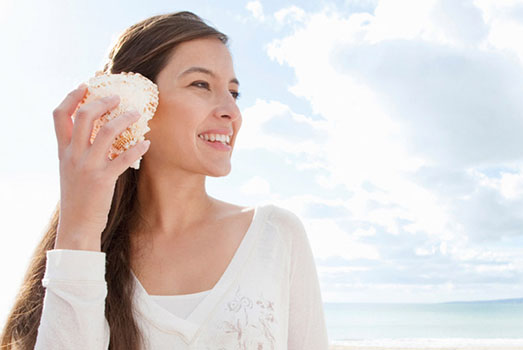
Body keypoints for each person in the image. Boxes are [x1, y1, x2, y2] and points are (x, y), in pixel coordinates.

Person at [1, 11, 329, 350]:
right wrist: (79, 228)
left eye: (234, 91)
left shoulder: (275, 235)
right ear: (137, 103)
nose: (231, 110)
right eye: (201, 84)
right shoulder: (88, 249)